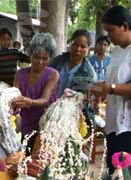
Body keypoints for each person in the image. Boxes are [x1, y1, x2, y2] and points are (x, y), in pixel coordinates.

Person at [89, 5, 131, 174]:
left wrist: (111, 88)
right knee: (113, 169)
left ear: (125, 26)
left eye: (112, 30)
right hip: (113, 123)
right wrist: (102, 86)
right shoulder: (116, 53)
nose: (109, 36)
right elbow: (117, 81)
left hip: (128, 126)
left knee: (125, 172)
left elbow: (118, 86)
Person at [12, 33, 59, 153]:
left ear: (50, 58)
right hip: (27, 124)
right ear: (30, 55)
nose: (40, 62)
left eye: (45, 59)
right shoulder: (20, 74)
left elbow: (45, 99)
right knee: (26, 158)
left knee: (43, 160)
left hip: (47, 126)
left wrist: (29, 102)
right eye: (36, 57)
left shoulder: (53, 74)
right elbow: (13, 96)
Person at [50, 29, 97, 97]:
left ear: (88, 49)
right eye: (75, 44)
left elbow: (81, 98)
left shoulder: (89, 73)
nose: (78, 49)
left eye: (83, 46)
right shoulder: (58, 61)